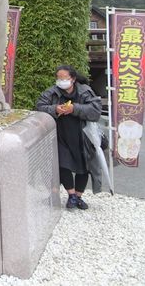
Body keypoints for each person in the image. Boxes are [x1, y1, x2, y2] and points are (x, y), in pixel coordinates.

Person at [36, 65, 102, 210]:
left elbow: (96, 111)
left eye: (64, 78)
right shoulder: (52, 92)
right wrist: (54, 109)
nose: (61, 81)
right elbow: (40, 106)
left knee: (83, 167)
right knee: (63, 164)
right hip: (61, 135)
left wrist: (75, 108)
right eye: (58, 78)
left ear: (72, 79)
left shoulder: (85, 91)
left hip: (82, 135)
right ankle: (71, 195)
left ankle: (79, 196)